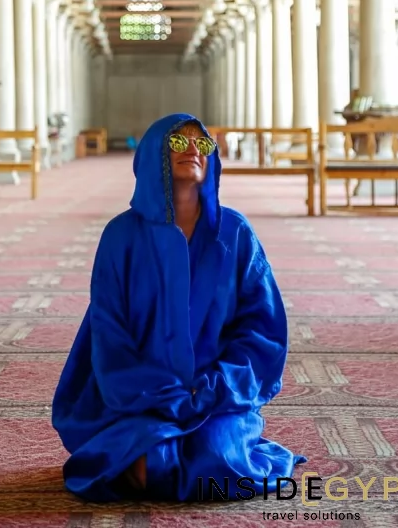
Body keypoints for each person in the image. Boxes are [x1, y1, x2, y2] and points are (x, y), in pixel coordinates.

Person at [52, 113, 306, 502]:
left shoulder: (234, 232)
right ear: (153, 153)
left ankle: (211, 443)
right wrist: (161, 393)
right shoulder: (121, 236)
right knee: (147, 464)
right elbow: (109, 332)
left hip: (217, 394)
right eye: (178, 142)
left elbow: (261, 328)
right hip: (139, 393)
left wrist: (214, 388)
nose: (193, 150)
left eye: (202, 144)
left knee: (218, 460)